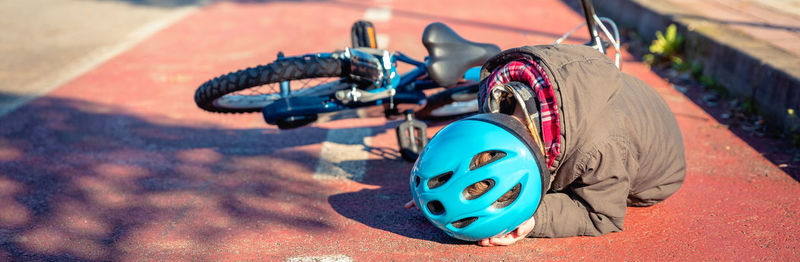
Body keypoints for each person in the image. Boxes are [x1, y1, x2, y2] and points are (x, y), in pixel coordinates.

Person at [406, 44, 686, 246]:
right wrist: (439, 183)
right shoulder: (504, 91)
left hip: (658, 175)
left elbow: (602, 215)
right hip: (614, 105)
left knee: (578, 183)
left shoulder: (600, 151)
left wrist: (533, 220)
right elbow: (471, 150)